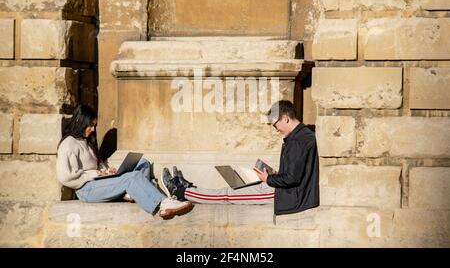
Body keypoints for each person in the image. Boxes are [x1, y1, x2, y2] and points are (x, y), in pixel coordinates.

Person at [161, 100, 320, 216]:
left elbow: (292, 178)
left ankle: (181, 191)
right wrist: (271, 175)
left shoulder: (298, 141)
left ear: (285, 118)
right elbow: (295, 171)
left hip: (283, 194)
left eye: (275, 124)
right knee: (232, 189)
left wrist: (268, 178)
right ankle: (189, 188)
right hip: (285, 190)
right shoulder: (302, 136)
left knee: (226, 195)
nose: (276, 129)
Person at [56, 104, 194, 220]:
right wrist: (92, 174)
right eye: (90, 125)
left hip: (98, 183)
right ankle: (163, 204)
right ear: (80, 122)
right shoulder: (68, 144)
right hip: (86, 190)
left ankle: (132, 192)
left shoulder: (86, 141)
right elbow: (64, 177)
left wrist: (106, 171)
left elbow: (95, 165)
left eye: (94, 125)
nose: (93, 129)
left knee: (143, 163)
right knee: (131, 178)